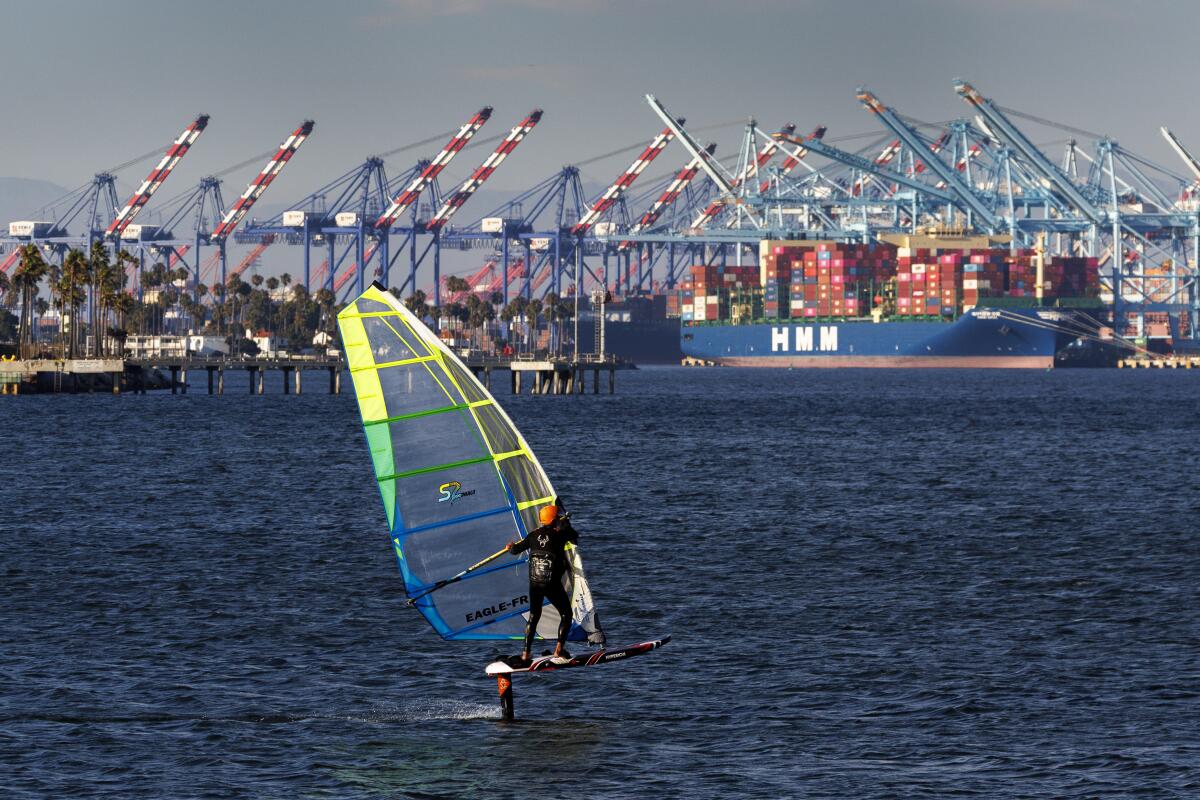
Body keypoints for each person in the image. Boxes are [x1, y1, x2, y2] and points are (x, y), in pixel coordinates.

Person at [507, 501, 578, 663]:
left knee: (534, 616)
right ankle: (558, 651)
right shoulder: (561, 535)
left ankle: (525, 654)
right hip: (551, 583)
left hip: (535, 583)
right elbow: (575, 538)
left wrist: (510, 546)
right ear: (554, 520)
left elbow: (514, 550)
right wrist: (566, 525)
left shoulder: (533, 535)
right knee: (567, 614)